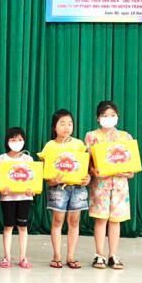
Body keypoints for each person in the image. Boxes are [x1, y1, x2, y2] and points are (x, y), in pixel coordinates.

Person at [85, 101, 135, 270]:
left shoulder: (125, 137)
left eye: (112, 115)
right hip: (100, 184)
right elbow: (87, 162)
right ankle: (99, 255)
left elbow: (131, 164)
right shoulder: (91, 136)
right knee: (101, 219)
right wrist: (93, 171)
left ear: (117, 116)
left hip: (120, 185)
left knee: (115, 220)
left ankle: (113, 255)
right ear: (98, 118)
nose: (109, 118)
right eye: (105, 115)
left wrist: (129, 172)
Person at [40, 109, 90, 269]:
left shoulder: (79, 144)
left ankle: (71, 256)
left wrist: (88, 178)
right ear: (54, 127)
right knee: (57, 221)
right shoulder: (49, 146)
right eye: (62, 123)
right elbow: (46, 174)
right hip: (58, 189)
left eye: (69, 123)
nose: (66, 127)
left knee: (74, 221)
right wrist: (53, 180)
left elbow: (85, 166)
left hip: (78, 188)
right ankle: (57, 256)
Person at [0, 127, 34, 268]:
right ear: (7, 141)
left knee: (23, 227)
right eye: (13, 139)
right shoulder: (2, 158)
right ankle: (6, 257)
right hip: (7, 199)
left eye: (20, 139)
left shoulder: (28, 158)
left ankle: (23, 257)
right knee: (8, 227)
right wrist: (2, 189)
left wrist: (32, 190)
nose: (17, 142)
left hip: (24, 198)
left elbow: (33, 179)